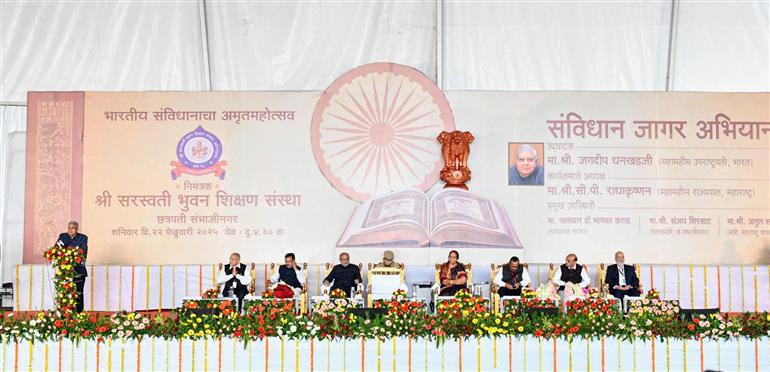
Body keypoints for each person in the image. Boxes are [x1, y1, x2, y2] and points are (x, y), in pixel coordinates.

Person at [54, 221, 88, 312]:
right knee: (64, 292)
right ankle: (64, 312)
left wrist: (68, 251)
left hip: (79, 270)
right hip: (65, 271)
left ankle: (79, 313)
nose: (70, 230)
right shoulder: (63, 236)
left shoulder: (83, 238)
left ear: (77, 229)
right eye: (69, 227)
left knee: (78, 293)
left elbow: (83, 252)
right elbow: (56, 249)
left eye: (72, 228)